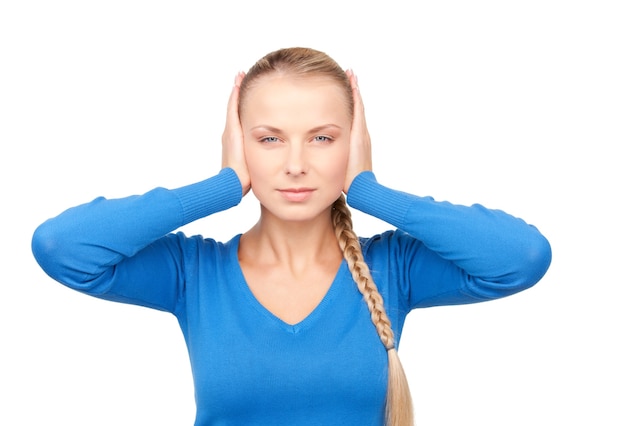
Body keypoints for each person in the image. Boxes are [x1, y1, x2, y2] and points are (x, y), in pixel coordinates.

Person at [31, 47, 552, 426]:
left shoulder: (395, 268)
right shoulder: (193, 273)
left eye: (322, 138)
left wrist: (368, 191)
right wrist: (221, 186)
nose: (297, 165)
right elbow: (63, 248)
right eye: (270, 139)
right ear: (239, 142)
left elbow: (521, 257)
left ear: (355, 144)